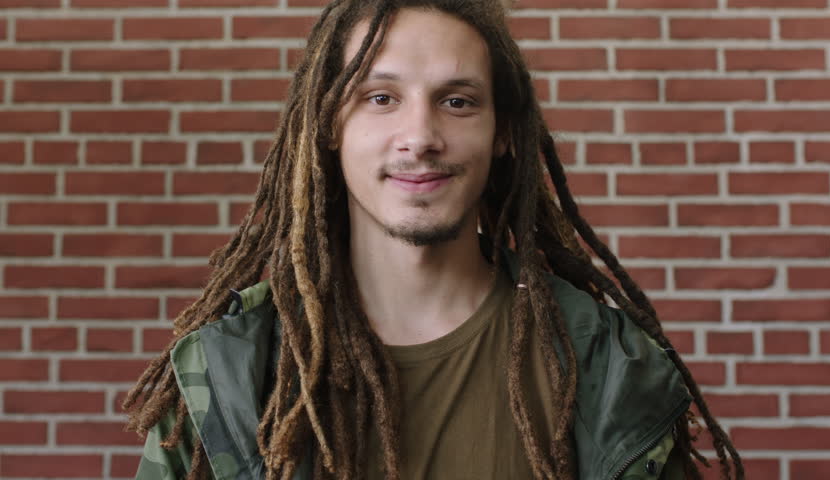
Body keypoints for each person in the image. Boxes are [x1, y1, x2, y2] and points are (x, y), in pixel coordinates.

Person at [125, 1, 744, 479]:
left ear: (503, 132)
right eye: (380, 97)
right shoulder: (231, 371)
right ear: (329, 125)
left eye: (457, 100)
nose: (420, 135)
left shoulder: (607, 369)